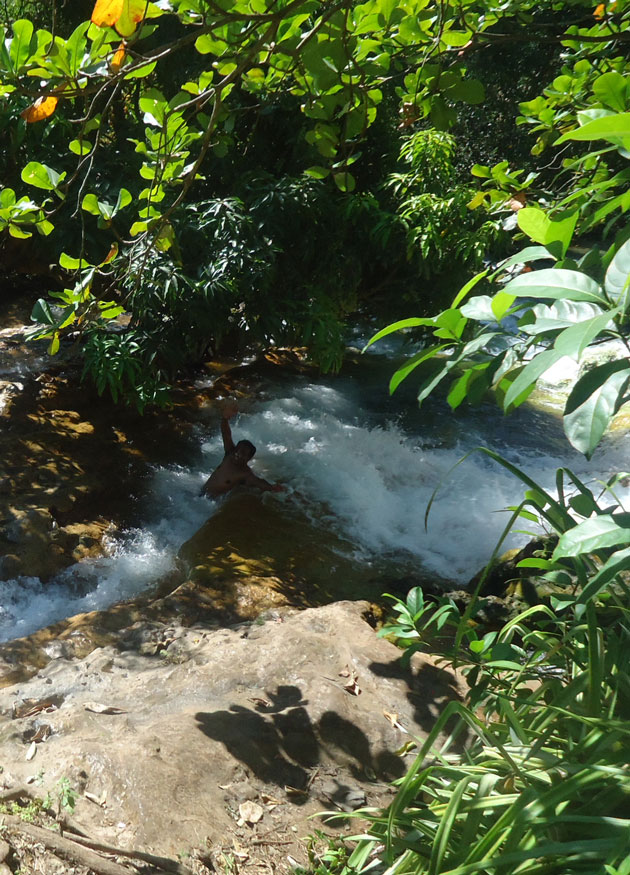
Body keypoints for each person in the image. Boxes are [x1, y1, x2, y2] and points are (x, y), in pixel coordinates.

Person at [200, 401, 285, 498]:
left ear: (248, 459)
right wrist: (225, 418)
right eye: (237, 450)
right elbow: (226, 434)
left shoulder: (244, 473)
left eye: (243, 453)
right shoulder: (229, 454)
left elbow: (259, 482)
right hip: (201, 493)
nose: (238, 454)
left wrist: (272, 488)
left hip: (210, 500)